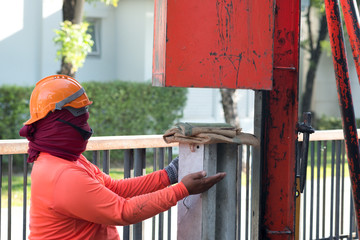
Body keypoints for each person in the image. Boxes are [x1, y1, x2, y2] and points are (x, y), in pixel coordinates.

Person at [19, 75, 226, 240]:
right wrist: (183, 189)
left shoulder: (66, 159)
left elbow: (116, 189)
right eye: (79, 116)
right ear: (56, 123)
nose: (87, 128)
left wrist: (169, 175)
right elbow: (123, 211)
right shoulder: (62, 175)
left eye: (86, 114)